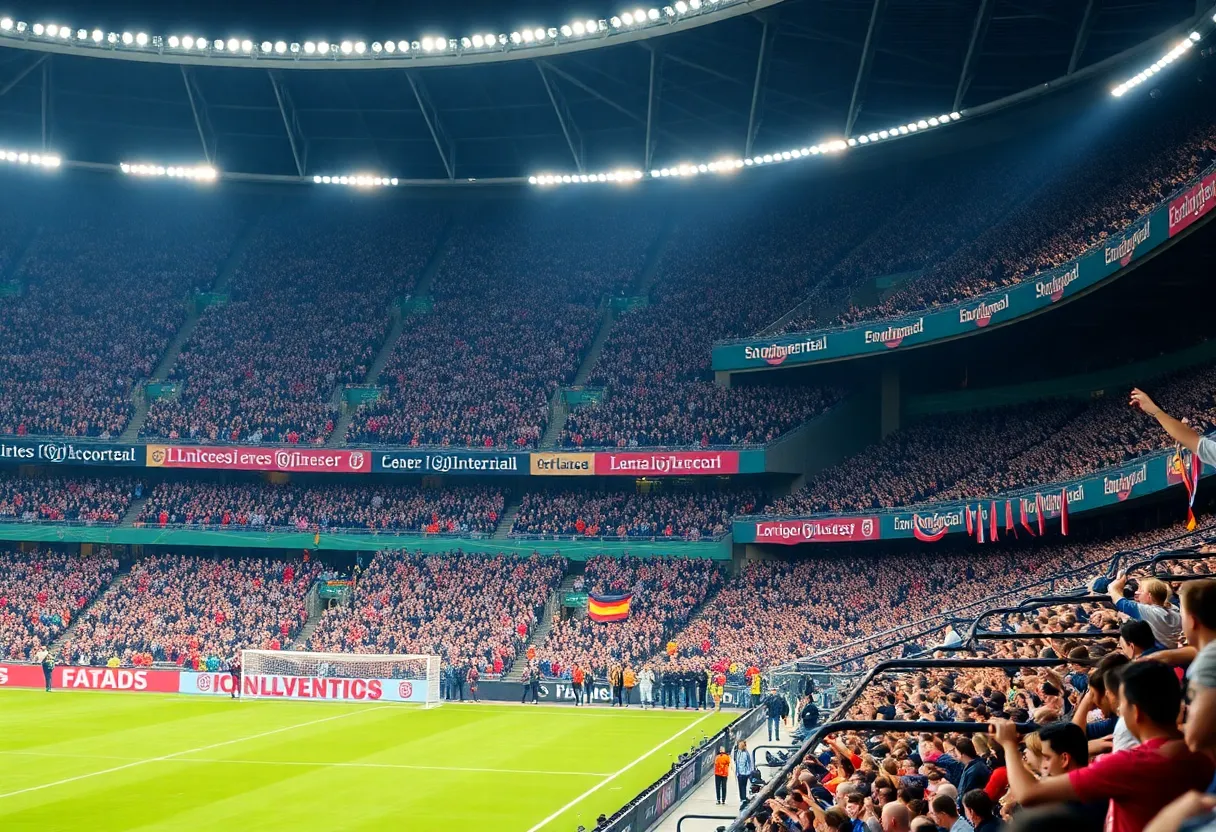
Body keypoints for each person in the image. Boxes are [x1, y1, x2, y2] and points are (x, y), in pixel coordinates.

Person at [992, 661, 1215, 832]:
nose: (1118, 711)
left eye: (1122, 705)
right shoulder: (1202, 749)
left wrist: (1009, 745)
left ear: (1135, 712)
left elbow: (1029, 794)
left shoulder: (1129, 765)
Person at [1104, 572, 1181, 649]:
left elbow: (1121, 602)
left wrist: (1117, 583)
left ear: (1149, 596)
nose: (1137, 593)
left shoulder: (1150, 611)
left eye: (1141, 590)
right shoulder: (1173, 608)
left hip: (1161, 652)